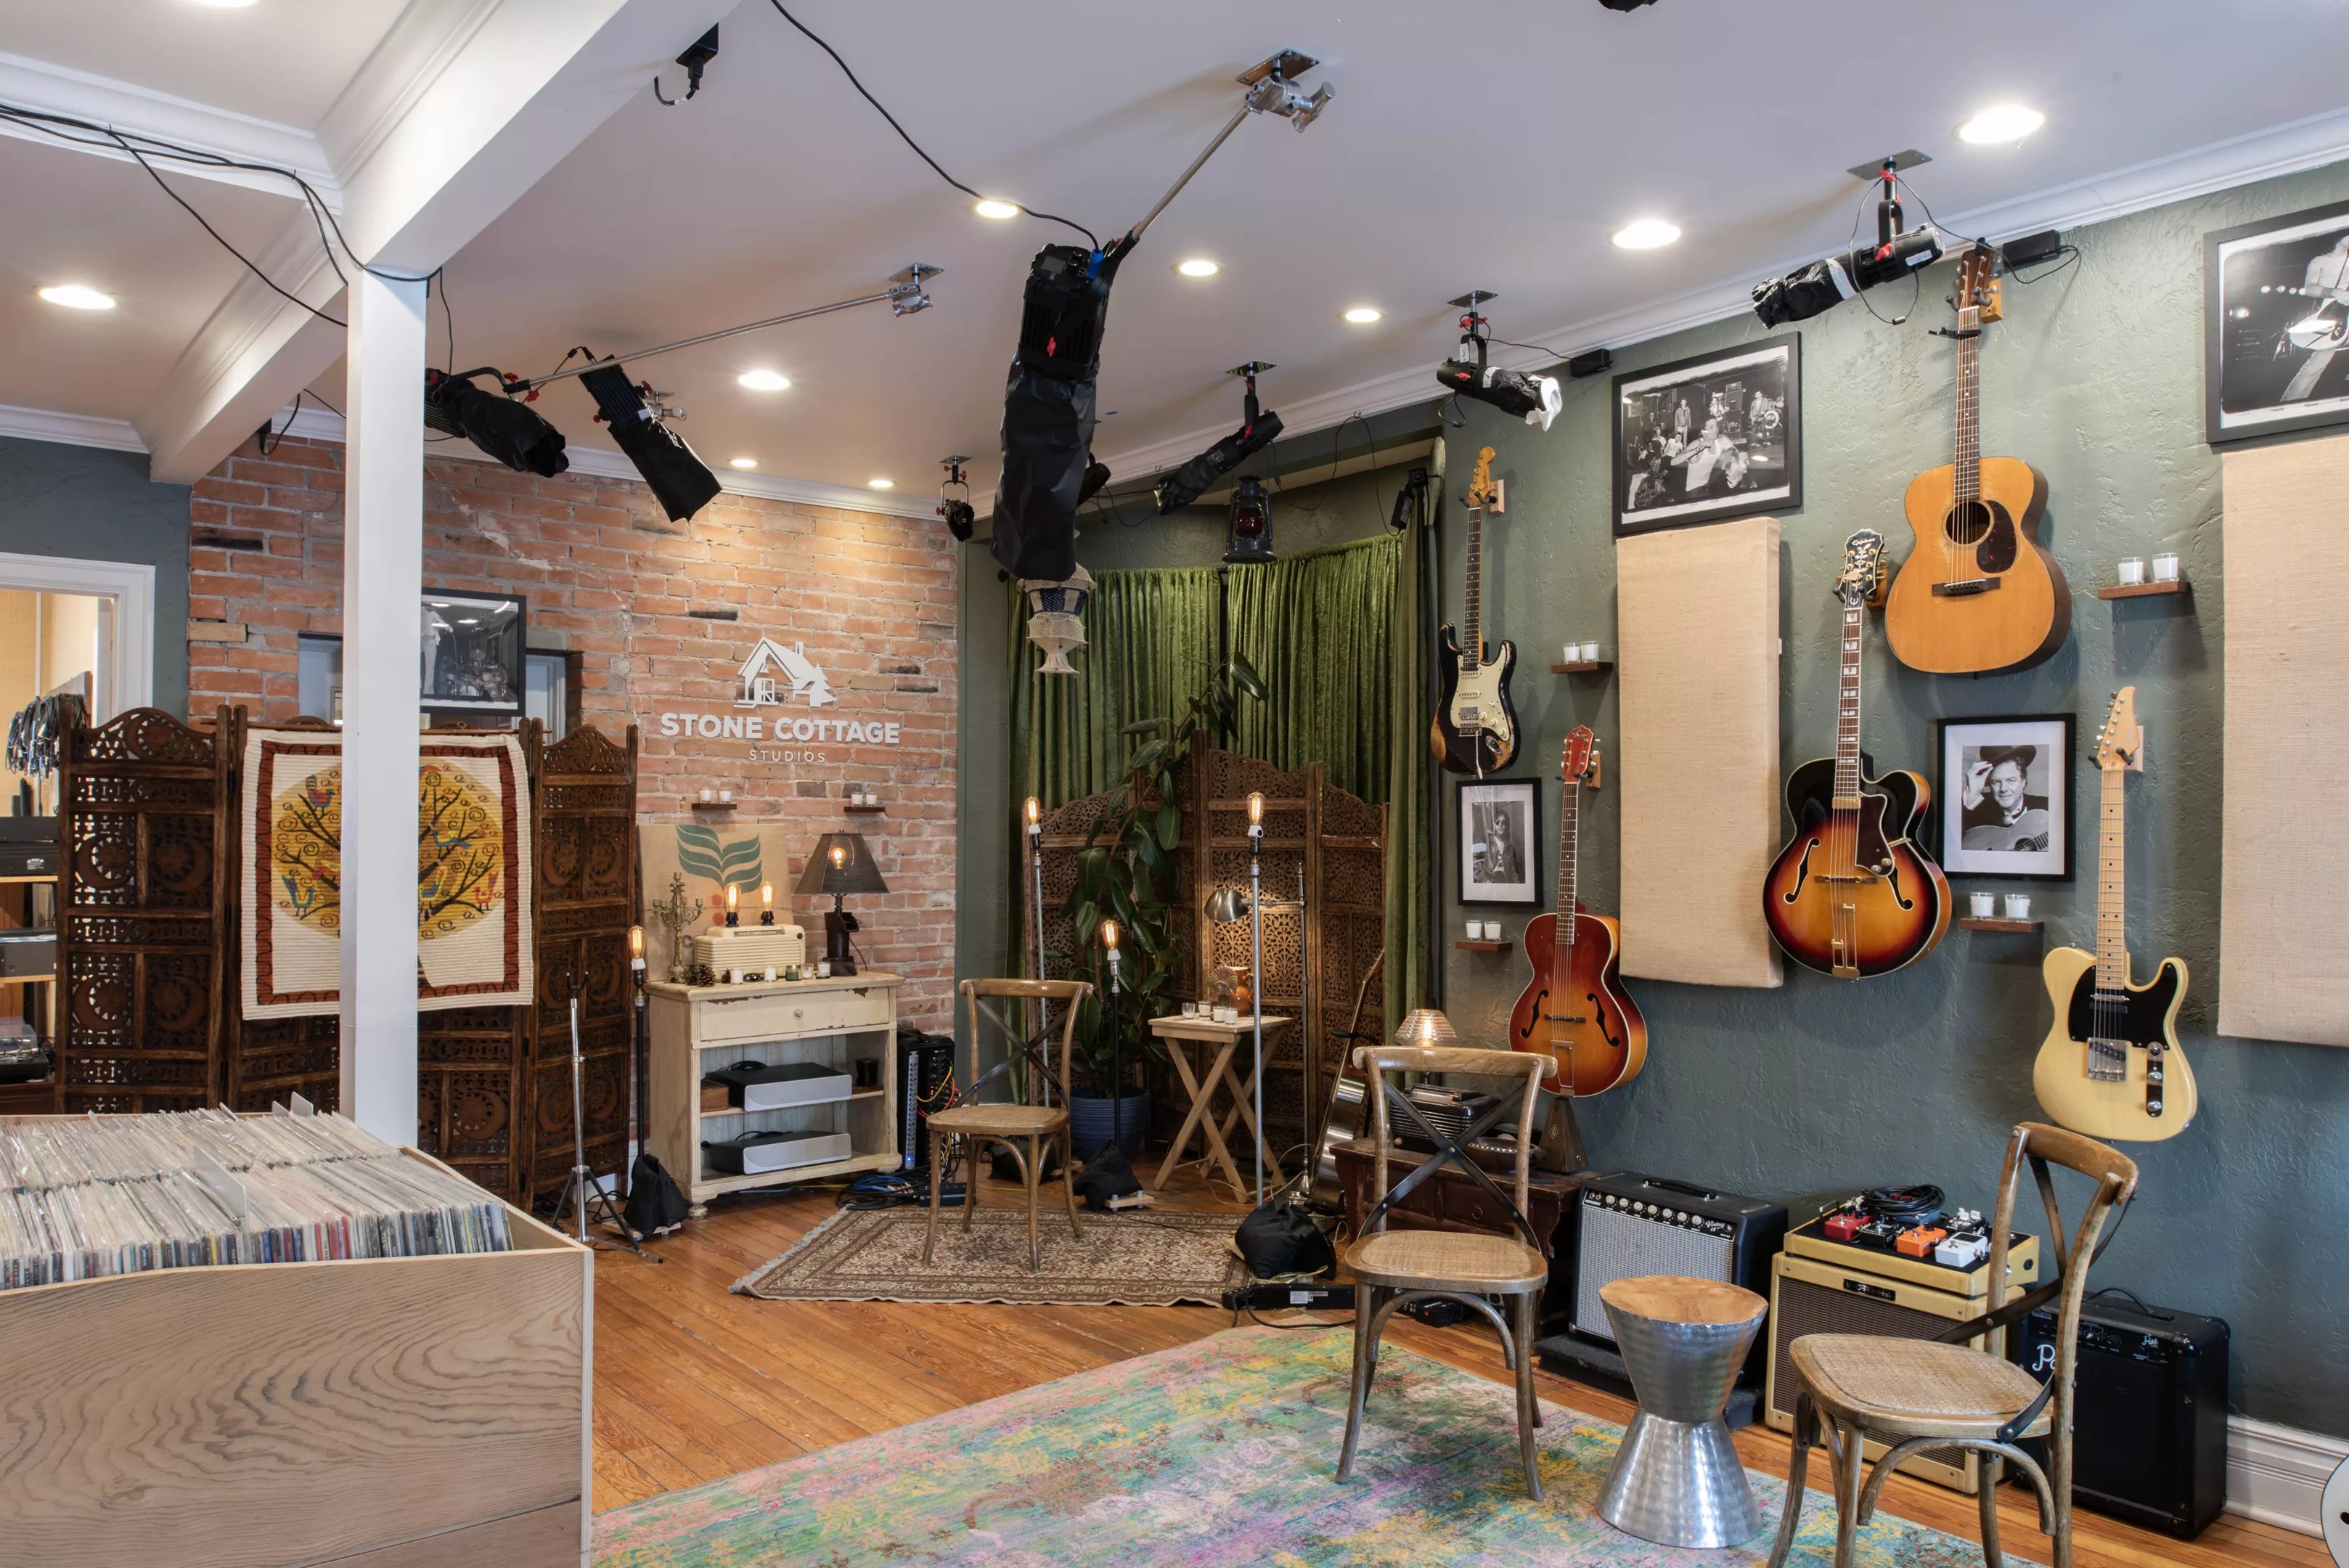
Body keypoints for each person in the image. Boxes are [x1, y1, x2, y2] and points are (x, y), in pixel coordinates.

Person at [1961, 745, 2052, 852]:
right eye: (1996, 782)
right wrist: (1972, 796)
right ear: (1990, 784)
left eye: (2011, 780)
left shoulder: (2047, 807)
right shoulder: (1974, 811)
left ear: (2023, 782)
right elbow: (1951, 846)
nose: (2003, 789)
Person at [1476, 804, 1524, 885]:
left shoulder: (1510, 848)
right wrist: (1485, 881)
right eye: (1497, 822)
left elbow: (1514, 873)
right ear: (1493, 825)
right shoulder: (1485, 841)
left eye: (1503, 822)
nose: (1500, 825)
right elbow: (1474, 860)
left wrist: (1518, 888)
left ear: (1507, 826)